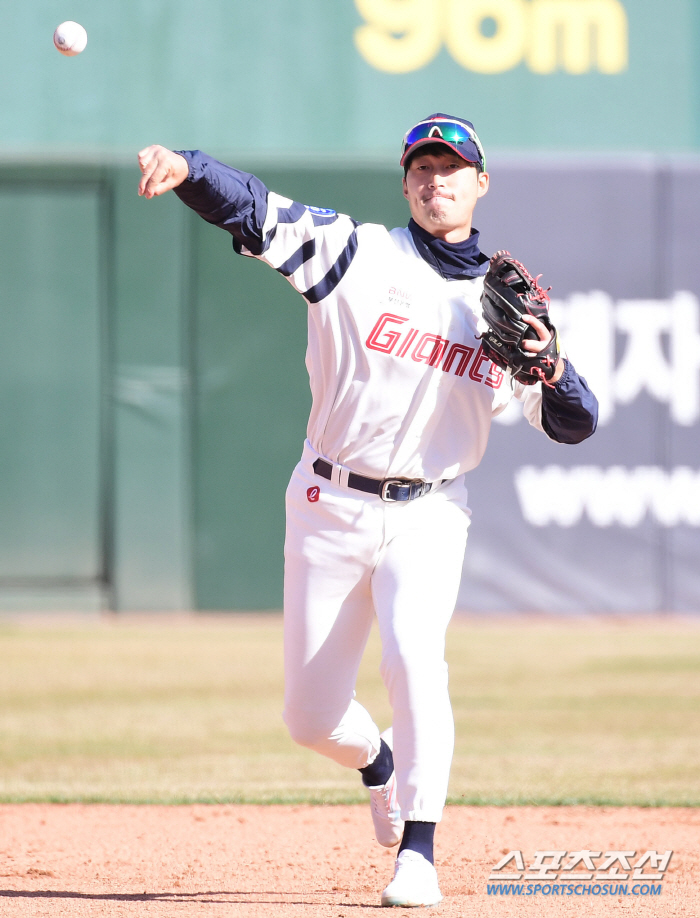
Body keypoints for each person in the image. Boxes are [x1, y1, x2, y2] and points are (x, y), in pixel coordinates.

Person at [137, 114, 598, 908]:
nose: (436, 180)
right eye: (422, 166)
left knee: (416, 657)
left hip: (429, 512)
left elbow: (575, 421)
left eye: (453, 168)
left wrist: (549, 362)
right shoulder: (354, 252)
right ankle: (377, 764)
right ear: (406, 179)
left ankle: (419, 850)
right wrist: (188, 164)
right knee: (309, 719)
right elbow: (253, 207)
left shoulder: (503, 305)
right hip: (327, 502)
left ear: (481, 183)